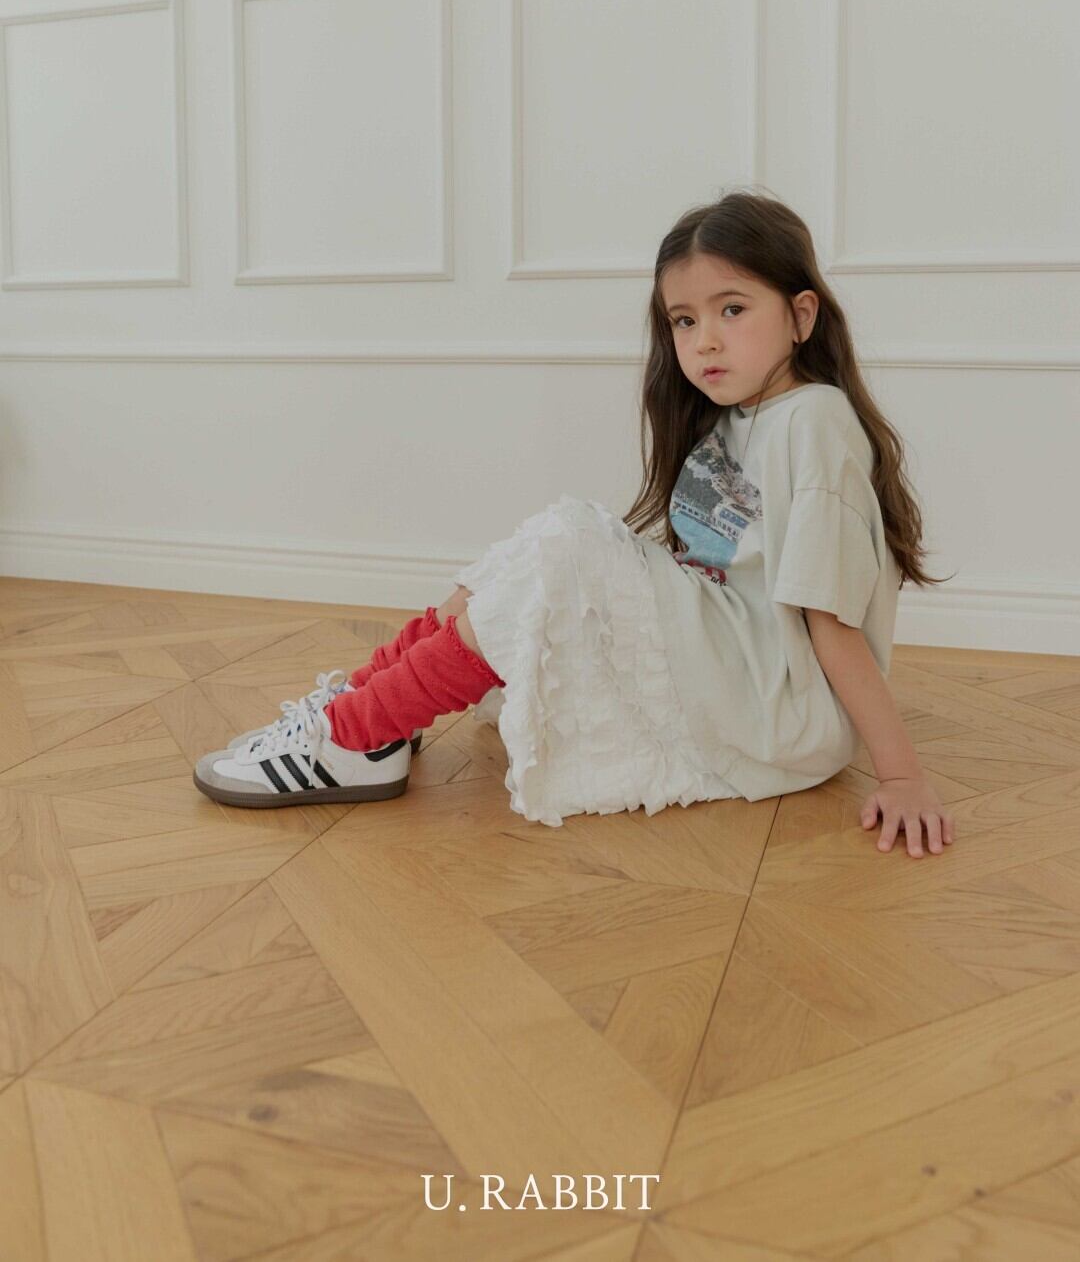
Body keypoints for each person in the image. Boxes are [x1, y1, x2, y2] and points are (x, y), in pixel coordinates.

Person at [193, 188, 956, 860]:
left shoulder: (815, 422)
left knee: (563, 543)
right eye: (684, 319)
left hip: (778, 710)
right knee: (544, 548)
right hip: (733, 671)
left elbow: (831, 622)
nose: (705, 340)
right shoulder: (739, 418)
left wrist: (900, 775)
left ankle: (358, 734)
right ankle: (362, 717)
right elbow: (710, 570)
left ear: (801, 315)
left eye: (732, 309)